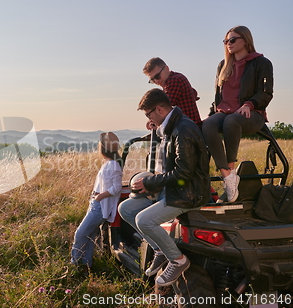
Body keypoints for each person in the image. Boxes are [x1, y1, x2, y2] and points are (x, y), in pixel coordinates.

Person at [118, 89, 210, 287]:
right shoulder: (171, 127)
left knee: (144, 220)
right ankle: (159, 250)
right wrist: (155, 128)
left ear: (159, 109)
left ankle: (178, 260)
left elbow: (183, 174)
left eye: (149, 114)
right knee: (125, 209)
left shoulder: (183, 130)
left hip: (188, 193)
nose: (148, 118)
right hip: (173, 189)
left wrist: (149, 183)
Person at [202, 26, 273, 203]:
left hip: (251, 114)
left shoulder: (261, 63)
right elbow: (218, 97)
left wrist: (249, 104)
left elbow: (266, 93)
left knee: (232, 121)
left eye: (232, 40)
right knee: (208, 124)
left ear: (246, 40)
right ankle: (228, 176)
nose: (228, 44)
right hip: (225, 112)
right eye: (226, 41)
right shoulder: (223, 65)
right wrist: (211, 114)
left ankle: (231, 169)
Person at [71, 132, 123, 273]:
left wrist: (100, 196)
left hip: (100, 206)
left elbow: (117, 188)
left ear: (103, 148)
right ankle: (86, 266)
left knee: (80, 234)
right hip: (95, 204)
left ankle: (74, 266)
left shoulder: (113, 164)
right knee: (89, 235)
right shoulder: (108, 163)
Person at [143, 57, 202, 127]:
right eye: (152, 80)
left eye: (157, 76)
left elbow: (163, 110)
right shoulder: (176, 79)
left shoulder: (175, 80)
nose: (156, 81)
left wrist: (152, 120)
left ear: (166, 68)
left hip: (187, 131)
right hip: (187, 128)